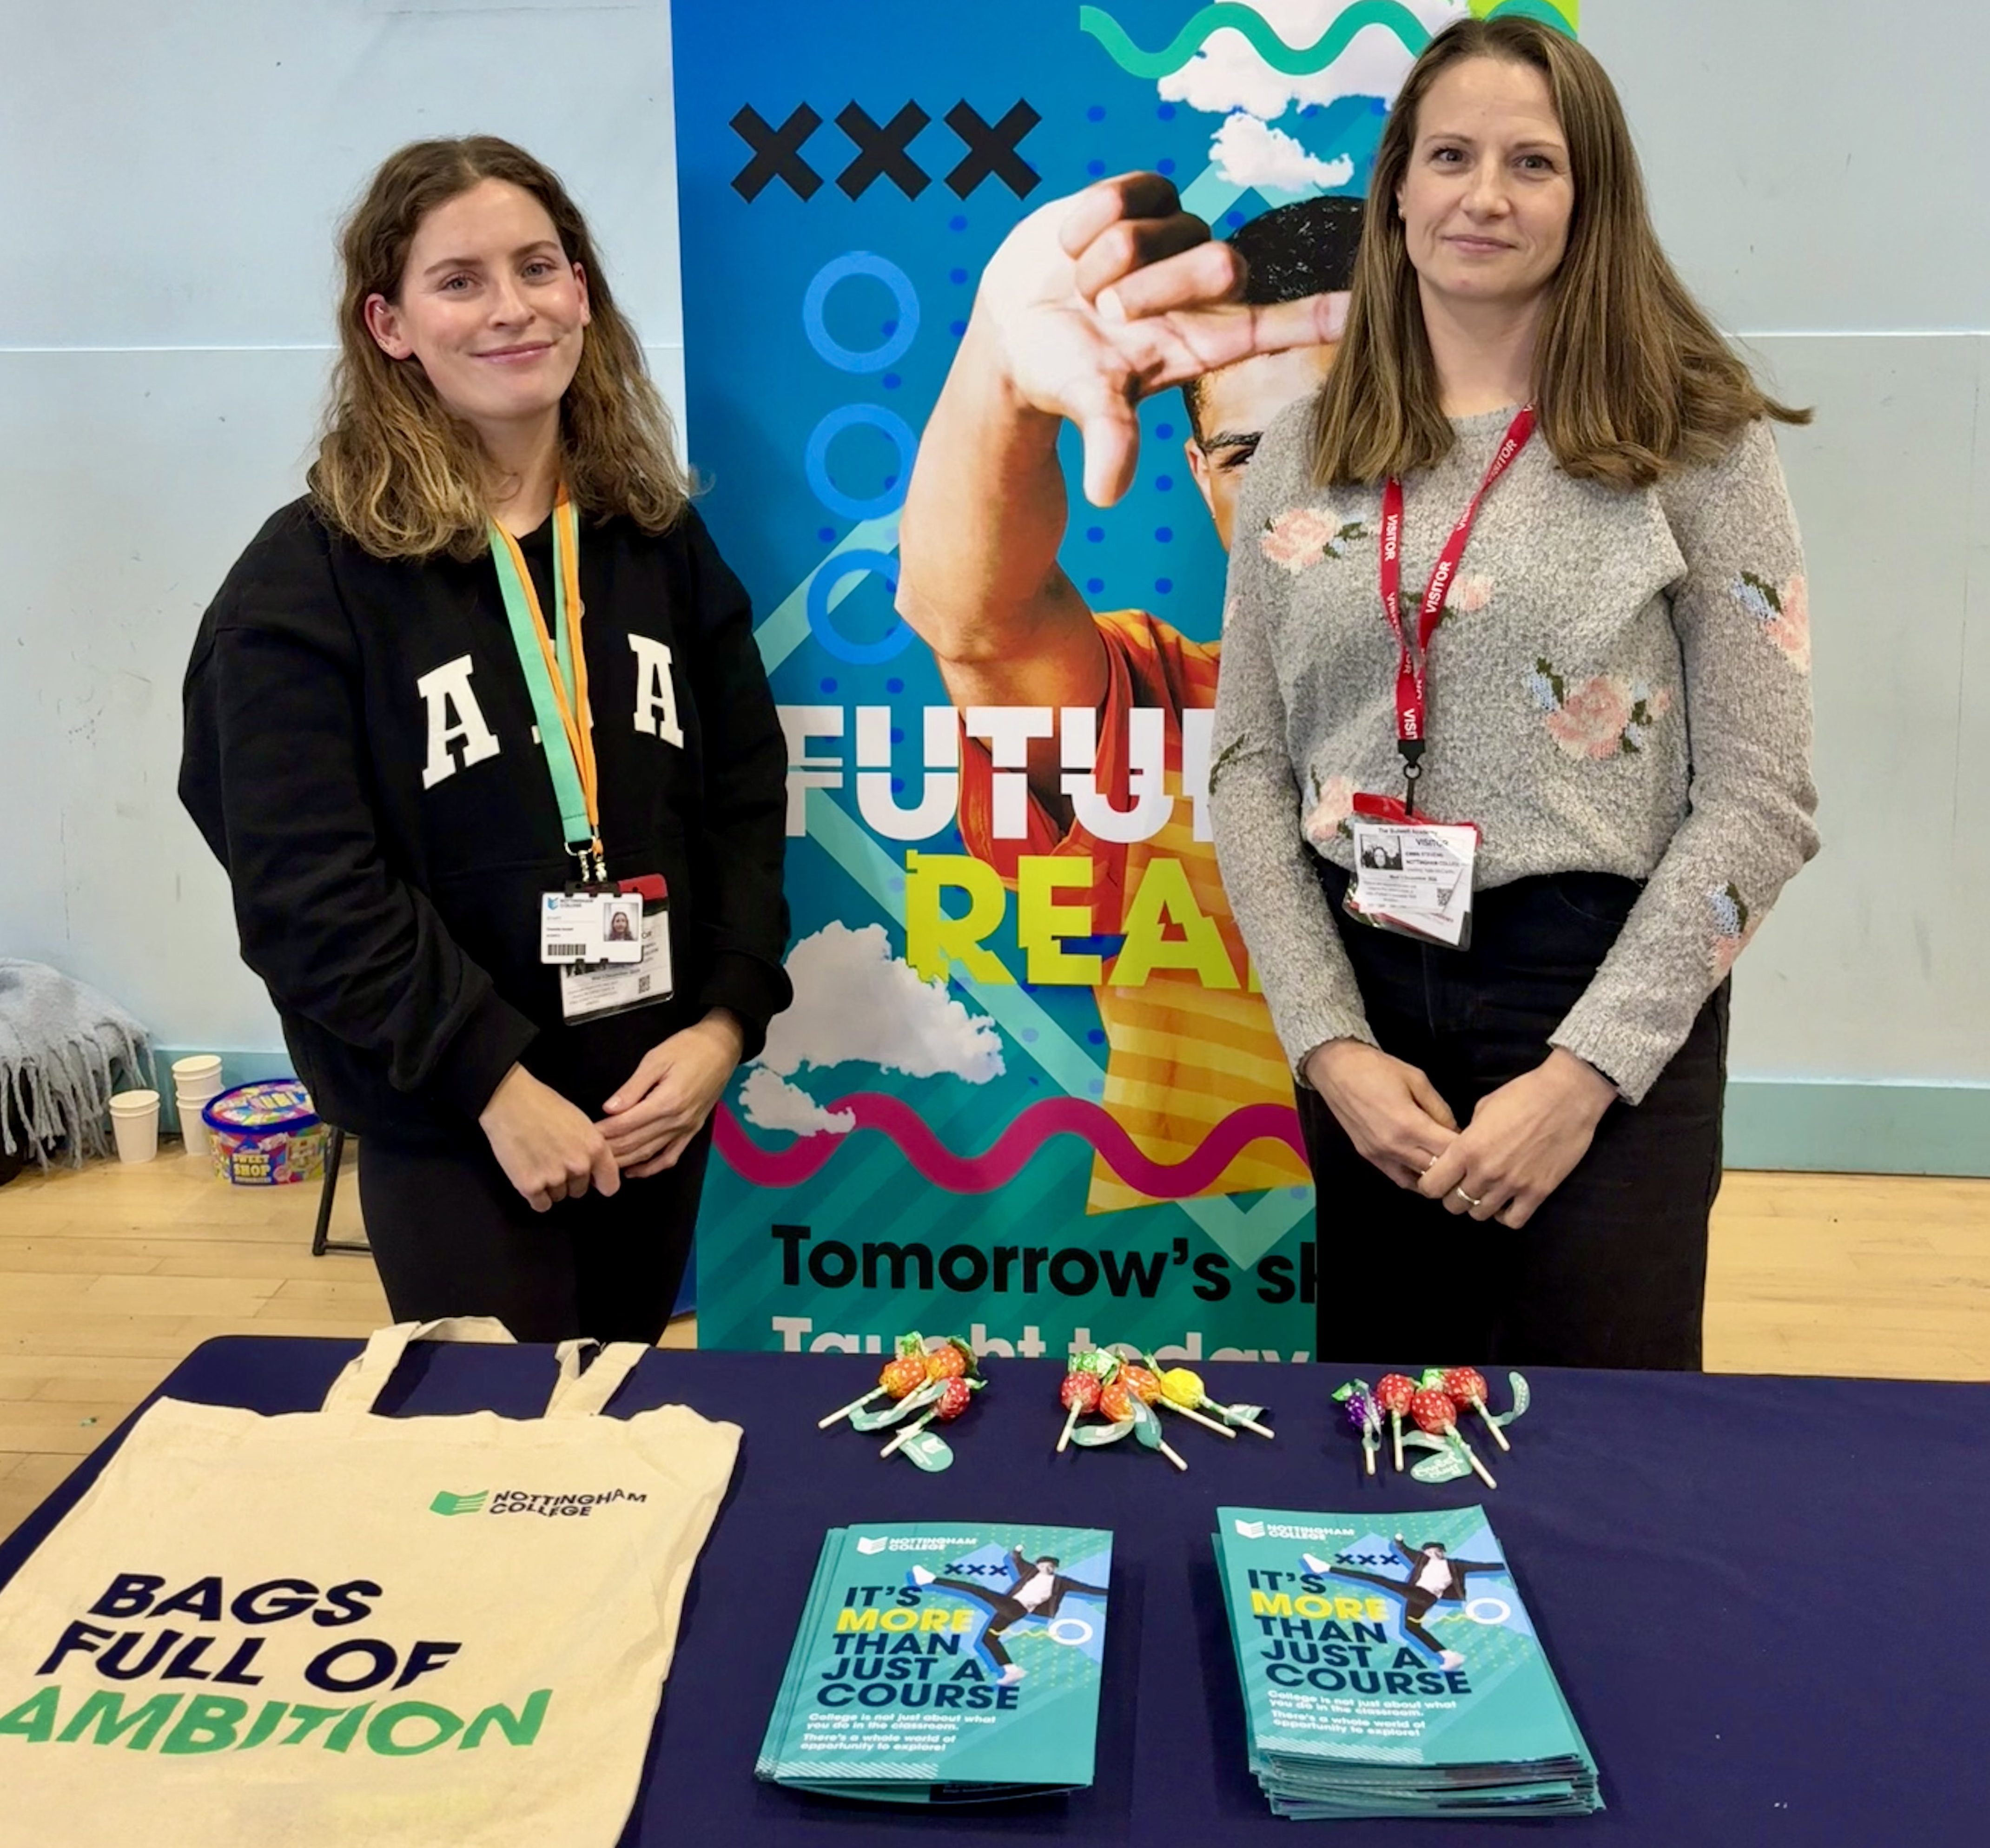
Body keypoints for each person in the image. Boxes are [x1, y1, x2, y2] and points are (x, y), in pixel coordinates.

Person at [1206, 17, 1818, 1368]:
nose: (1483, 195)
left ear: (1588, 196)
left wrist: (1583, 1073)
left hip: (1597, 988)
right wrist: (1328, 1046)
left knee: (1600, 1440)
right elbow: (1248, 764)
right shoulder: (1301, 447)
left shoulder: (1692, 439)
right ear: (1396, 190)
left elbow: (1760, 796)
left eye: (1530, 162)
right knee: (1381, 1425)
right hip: (1370, 998)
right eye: (1449, 157)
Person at [179, 137, 791, 1343]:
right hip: (455, 1116)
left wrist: (722, 1024)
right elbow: (302, 886)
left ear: (582, 293)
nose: (512, 308)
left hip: (654, 1091)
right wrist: (493, 1083)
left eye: (538, 267)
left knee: (622, 1407)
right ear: (390, 324)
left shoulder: (655, 541)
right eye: (459, 280)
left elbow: (744, 797)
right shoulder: (306, 584)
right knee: (498, 1439)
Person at [896, 184, 1353, 1210]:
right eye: (1249, 455)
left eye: (1346, 438)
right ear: (1198, 473)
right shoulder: (1159, 700)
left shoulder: (1568, 697)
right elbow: (976, 623)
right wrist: (999, 370)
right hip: (1203, 1264)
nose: (1300, 499)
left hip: (1493, 1235)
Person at [908, 1550, 1109, 1686]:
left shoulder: (1062, 1582)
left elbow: (1087, 1589)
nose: (1047, 1568)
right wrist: (1017, 1552)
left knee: (978, 1591)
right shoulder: (1030, 1573)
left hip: (1017, 1608)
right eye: (1043, 1565)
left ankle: (931, 1580)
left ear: (1054, 1568)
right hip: (1010, 1608)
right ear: (1038, 1565)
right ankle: (1012, 1670)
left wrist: (1111, 1592)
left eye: (1051, 1566)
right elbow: (1016, 1561)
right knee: (988, 1639)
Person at [1313, 1537, 1507, 1670]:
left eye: (1436, 1551)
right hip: (1417, 1596)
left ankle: (1326, 1569)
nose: (1432, 1554)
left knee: (1378, 1580)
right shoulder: (1422, 1561)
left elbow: (1484, 1567)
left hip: (1425, 1596)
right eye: (1429, 1551)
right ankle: (1448, 1656)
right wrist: (1399, 1542)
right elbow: (1404, 1550)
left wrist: (1507, 1566)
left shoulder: (1456, 1565)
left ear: (1441, 1552)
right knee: (1411, 1627)